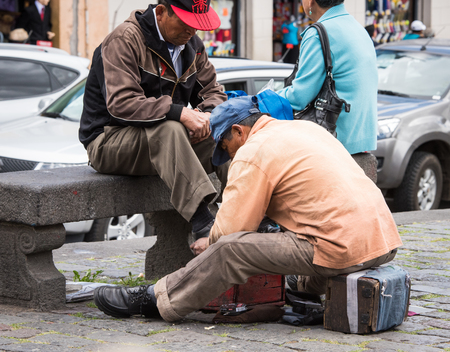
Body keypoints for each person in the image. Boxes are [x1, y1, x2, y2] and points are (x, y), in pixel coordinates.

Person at [93, 96, 402, 323]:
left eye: (225, 146)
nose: (227, 155)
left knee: (230, 250)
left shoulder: (254, 149)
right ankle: (301, 291)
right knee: (304, 256)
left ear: (239, 132)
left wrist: (210, 242)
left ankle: (156, 300)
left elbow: (231, 231)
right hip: (383, 241)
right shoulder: (307, 131)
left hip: (339, 248)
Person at [79, 0, 229, 240]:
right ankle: (203, 221)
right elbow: (122, 104)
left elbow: (214, 91)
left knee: (228, 131)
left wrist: (206, 116)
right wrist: (180, 113)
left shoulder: (193, 45)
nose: (192, 30)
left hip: (166, 144)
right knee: (169, 129)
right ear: (161, 12)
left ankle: (247, 208)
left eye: (197, 23)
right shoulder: (124, 39)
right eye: (185, 22)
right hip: (108, 140)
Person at [278, 0, 378, 155]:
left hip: (336, 141)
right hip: (362, 140)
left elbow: (299, 97)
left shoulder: (318, 33)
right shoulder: (358, 29)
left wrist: (266, 98)